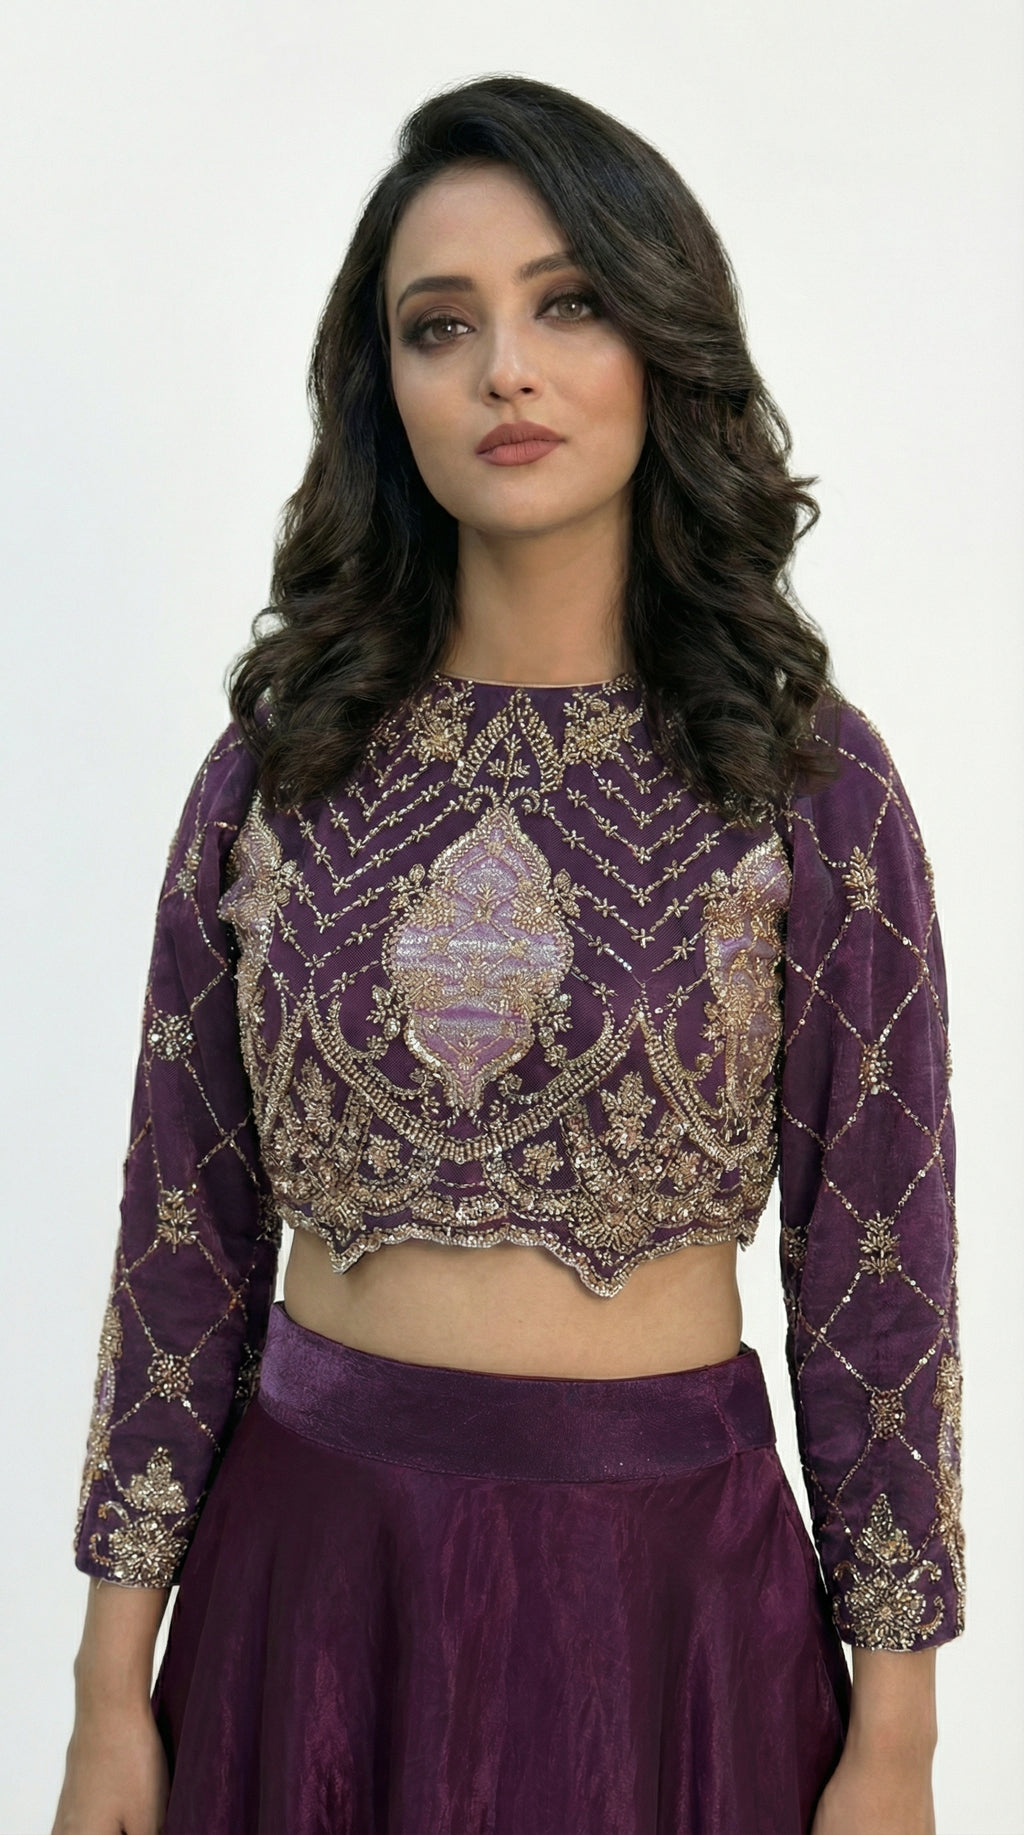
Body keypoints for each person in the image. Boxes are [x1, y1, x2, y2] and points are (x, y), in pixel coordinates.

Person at [53, 74, 963, 1835]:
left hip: (669, 1605)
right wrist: (108, 1685)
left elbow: (882, 1276)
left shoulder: (801, 779)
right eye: (439, 326)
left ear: (661, 342)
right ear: (383, 392)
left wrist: (898, 1734)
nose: (505, 371)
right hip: (308, 1588)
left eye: (568, 304)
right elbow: (180, 1242)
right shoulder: (278, 771)